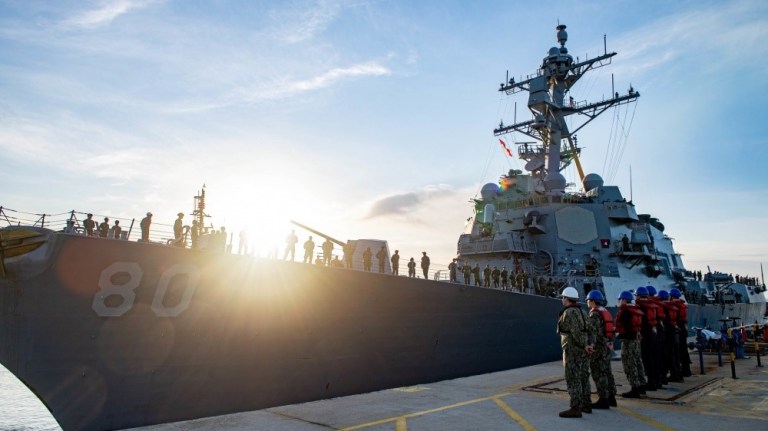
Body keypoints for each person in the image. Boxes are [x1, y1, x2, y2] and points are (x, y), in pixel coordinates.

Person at [557, 286, 593, 418]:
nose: (562, 299)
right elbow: (590, 329)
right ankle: (586, 404)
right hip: (584, 349)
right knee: (584, 376)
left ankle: (575, 407)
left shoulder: (569, 313)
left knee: (573, 377)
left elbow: (575, 331)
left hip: (573, 349)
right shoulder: (583, 311)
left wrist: (584, 345)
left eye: (563, 297)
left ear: (566, 299)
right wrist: (589, 344)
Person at [586, 290, 617, 409]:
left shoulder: (594, 314)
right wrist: (610, 342)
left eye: (588, 300)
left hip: (598, 349)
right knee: (608, 372)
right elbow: (611, 329)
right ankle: (611, 397)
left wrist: (591, 345)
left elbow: (592, 332)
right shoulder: (605, 311)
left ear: (593, 301)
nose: (588, 302)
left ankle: (603, 399)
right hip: (606, 347)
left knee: (598, 373)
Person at [615, 290, 647, 399]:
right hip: (636, 340)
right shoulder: (635, 310)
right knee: (638, 362)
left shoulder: (625, 312)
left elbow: (626, 329)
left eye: (619, 299)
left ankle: (634, 388)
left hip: (628, 341)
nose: (619, 302)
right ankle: (642, 385)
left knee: (630, 364)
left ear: (624, 300)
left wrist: (617, 334)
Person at [635, 286, 662, 391]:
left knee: (646, 359)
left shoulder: (640, 306)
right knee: (655, 358)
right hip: (653, 333)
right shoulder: (652, 306)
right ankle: (657, 381)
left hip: (645, 335)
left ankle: (651, 383)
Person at [658, 290, 683, 383]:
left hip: (667, 334)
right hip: (674, 332)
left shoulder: (663, 307)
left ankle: (669, 375)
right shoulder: (673, 306)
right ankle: (677, 374)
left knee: (665, 355)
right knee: (675, 354)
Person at [670, 288, 693, 377]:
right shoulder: (681, 305)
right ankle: (686, 370)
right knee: (684, 350)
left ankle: (678, 372)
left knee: (677, 351)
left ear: (671, 296)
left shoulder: (674, 306)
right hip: (683, 329)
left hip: (677, 330)